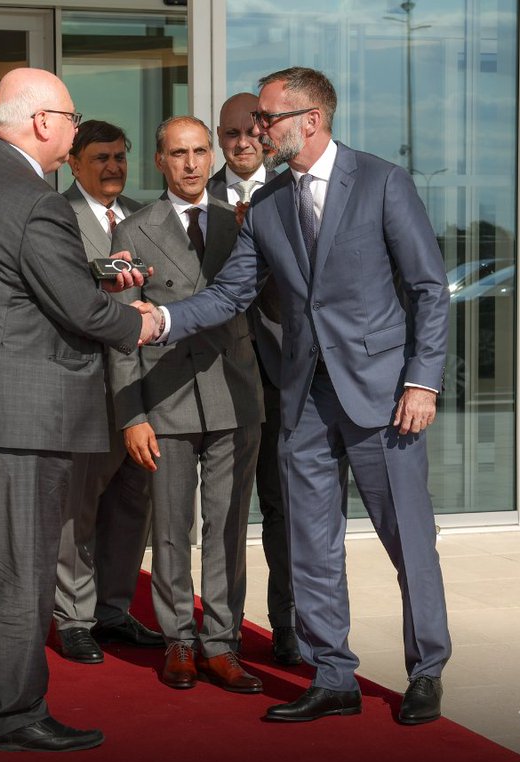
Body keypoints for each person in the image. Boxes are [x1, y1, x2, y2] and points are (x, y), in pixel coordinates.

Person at [142, 67, 452, 724]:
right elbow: (231, 294)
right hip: (303, 397)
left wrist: (422, 380)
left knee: (408, 539)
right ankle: (332, 674)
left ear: (310, 119)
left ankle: (427, 667)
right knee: (311, 540)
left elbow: (428, 288)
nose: (257, 129)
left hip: (384, 398)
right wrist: (160, 320)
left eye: (267, 118)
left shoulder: (381, 182)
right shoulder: (271, 204)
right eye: (257, 118)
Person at [0, 68, 153, 753]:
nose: (76, 130)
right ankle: (14, 716)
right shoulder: (36, 199)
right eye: (72, 119)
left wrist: (94, 275)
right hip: (22, 408)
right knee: (26, 566)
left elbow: (3, 270)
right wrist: (142, 322)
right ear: (43, 122)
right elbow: (74, 308)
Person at [110, 115, 264, 693]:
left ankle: (222, 643)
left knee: (227, 528)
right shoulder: (132, 231)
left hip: (234, 395)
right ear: (160, 161)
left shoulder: (243, 223)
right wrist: (133, 413)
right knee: (170, 528)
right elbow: (121, 330)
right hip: (165, 398)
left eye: (202, 151)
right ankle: (178, 638)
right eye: (180, 153)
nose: (194, 163)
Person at [54, 120, 163, 664]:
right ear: (73, 163)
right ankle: (73, 616)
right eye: (100, 158)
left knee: (131, 504)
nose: (114, 166)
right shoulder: (56, 219)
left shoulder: (145, 216)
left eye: (120, 156)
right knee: (80, 506)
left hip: (145, 390)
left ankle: (113, 610)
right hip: (86, 387)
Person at [207, 92, 300, 666]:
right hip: (215, 377)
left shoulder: (290, 194)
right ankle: (223, 630)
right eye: (230, 133)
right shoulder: (196, 196)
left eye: (252, 130)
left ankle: (288, 624)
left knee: (283, 509)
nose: (242, 141)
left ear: (266, 133)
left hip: (279, 374)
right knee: (226, 511)